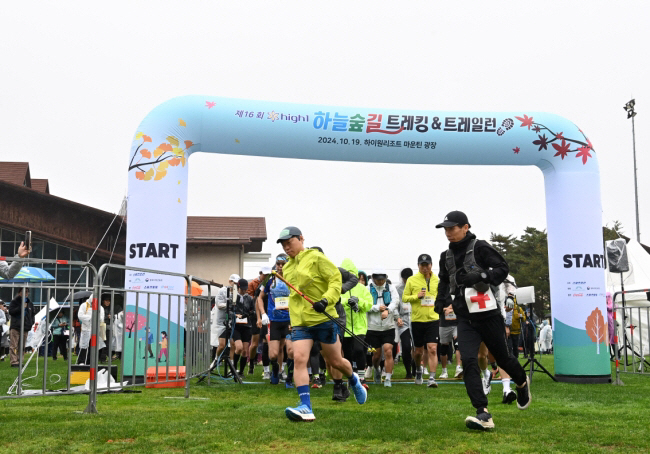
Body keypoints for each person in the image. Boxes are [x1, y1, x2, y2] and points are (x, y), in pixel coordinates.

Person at [435, 210, 531, 431]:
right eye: (446, 229)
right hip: (465, 319)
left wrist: (481, 276)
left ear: (465, 227)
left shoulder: (481, 247)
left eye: (452, 228)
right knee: (468, 361)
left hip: (489, 316)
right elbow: (443, 281)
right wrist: (442, 300)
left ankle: (522, 382)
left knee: (504, 359)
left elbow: (502, 268)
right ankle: (483, 413)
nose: (448, 232)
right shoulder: (445, 257)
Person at [277, 226, 367, 422]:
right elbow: (294, 296)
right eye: (283, 244)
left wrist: (326, 300)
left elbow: (335, 279)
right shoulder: (288, 267)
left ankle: (354, 381)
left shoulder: (317, 258)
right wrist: (293, 320)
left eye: (289, 242)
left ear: (301, 238)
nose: (286, 247)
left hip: (324, 318)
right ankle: (305, 407)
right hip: (301, 323)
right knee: (299, 358)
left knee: (335, 362)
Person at [402, 254, 441, 388]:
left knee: (432, 348)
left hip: (433, 319)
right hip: (417, 320)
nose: (425, 268)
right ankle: (418, 370)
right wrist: (416, 296)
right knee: (418, 351)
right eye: (422, 265)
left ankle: (431, 378)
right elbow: (405, 298)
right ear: (418, 266)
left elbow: (441, 296)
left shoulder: (437, 279)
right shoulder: (412, 280)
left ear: (431, 265)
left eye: (427, 265)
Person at [339, 258, 372, 391]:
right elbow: (337, 299)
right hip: (344, 326)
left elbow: (369, 303)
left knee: (359, 350)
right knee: (347, 353)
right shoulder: (339, 287)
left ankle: (362, 378)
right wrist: (349, 301)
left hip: (359, 326)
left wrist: (359, 302)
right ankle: (350, 377)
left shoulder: (362, 288)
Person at [257, 257, 291, 385]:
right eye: (278, 264)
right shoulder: (269, 279)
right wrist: (263, 314)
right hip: (274, 321)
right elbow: (259, 298)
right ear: (275, 265)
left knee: (286, 349)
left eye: (283, 264)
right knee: (273, 354)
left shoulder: (292, 279)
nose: (281, 266)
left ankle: (284, 373)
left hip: (288, 320)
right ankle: (275, 370)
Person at [366, 269, 400, 387]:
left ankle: (388, 379)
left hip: (388, 326)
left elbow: (395, 301)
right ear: (373, 278)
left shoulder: (391, 288)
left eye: (382, 279)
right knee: (376, 355)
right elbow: (365, 304)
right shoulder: (367, 289)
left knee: (388, 351)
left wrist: (387, 310)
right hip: (372, 327)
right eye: (378, 279)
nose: (380, 282)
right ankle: (376, 369)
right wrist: (376, 308)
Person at [213, 274, 240, 370]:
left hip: (231, 321)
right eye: (234, 282)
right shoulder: (222, 291)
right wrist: (229, 304)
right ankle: (216, 360)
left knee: (233, 344)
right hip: (221, 321)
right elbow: (218, 304)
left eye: (237, 283)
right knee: (222, 344)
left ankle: (231, 364)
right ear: (230, 281)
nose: (235, 284)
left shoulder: (238, 293)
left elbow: (238, 305)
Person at [248, 266, 271, 375]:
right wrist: (258, 318)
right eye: (264, 274)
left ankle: (266, 368)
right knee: (255, 343)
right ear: (260, 273)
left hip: (269, 315)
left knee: (268, 341)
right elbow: (256, 301)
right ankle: (251, 364)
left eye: (268, 274)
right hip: (257, 316)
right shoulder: (256, 285)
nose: (266, 276)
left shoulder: (271, 283)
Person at [395, 268, 416, 379]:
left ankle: (415, 368)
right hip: (403, 321)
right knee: (406, 346)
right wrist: (397, 317)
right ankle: (408, 371)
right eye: (404, 279)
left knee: (417, 347)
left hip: (416, 319)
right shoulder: (398, 289)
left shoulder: (416, 287)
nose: (406, 281)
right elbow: (395, 304)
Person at [232, 278, 255, 375]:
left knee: (245, 350)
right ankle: (234, 367)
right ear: (238, 288)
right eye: (242, 289)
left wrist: (247, 315)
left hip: (246, 326)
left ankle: (241, 372)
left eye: (246, 289)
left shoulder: (249, 298)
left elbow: (253, 311)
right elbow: (229, 309)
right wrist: (235, 315)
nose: (244, 291)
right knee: (239, 347)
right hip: (236, 326)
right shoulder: (233, 297)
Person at [8, 289, 35, 367]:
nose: (25, 293)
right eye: (23, 292)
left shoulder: (30, 303)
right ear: (19, 293)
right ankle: (13, 361)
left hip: (25, 327)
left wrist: (31, 322)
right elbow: (11, 312)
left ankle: (20, 361)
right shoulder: (14, 302)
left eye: (27, 292)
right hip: (16, 327)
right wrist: (21, 307)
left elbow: (32, 314)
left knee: (22, 345)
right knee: (14, 345)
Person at [76, 296, 105, 365]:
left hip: (95, 329)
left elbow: (101, 318)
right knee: (84, 345)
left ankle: (90, 361)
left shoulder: (100, 308)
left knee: (93, 346)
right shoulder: (84, 305)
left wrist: (94, 319)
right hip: (86, 329)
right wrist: (90, 318)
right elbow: (80, 315)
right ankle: (81, 361)